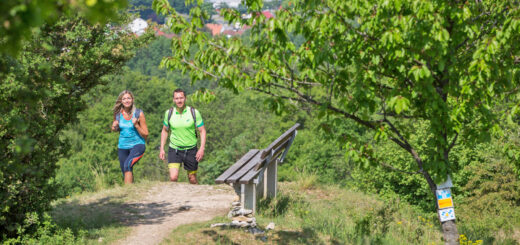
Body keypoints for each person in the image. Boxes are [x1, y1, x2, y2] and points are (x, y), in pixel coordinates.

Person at [159, 88, 206, 184]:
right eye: (176, 98)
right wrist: (162, 148)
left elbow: (202, 131)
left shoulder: (194, 112)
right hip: (175, 149)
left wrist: (201, 148)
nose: (179, 100)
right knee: (173, 177)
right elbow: (164, 130)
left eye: (181, 98)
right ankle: (174, 198)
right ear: (173, 100)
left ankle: (196, 197)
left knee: (192, 178)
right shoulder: (169, 113)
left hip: (191, 149)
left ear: (185, 98)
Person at [111, 90, 148, 184]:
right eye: (124, 99)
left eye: (128, 98)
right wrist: (114, 126)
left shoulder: (138, 113)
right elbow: (114, 128)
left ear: (132, 100)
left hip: (138, 145)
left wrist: (137, 125)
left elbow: (146, 134)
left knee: (127, 165)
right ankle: (132, 191)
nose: (127, 100)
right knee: (125, 170)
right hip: (122, 147)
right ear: (121, 101)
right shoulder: (118, 114)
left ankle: (127, 192)